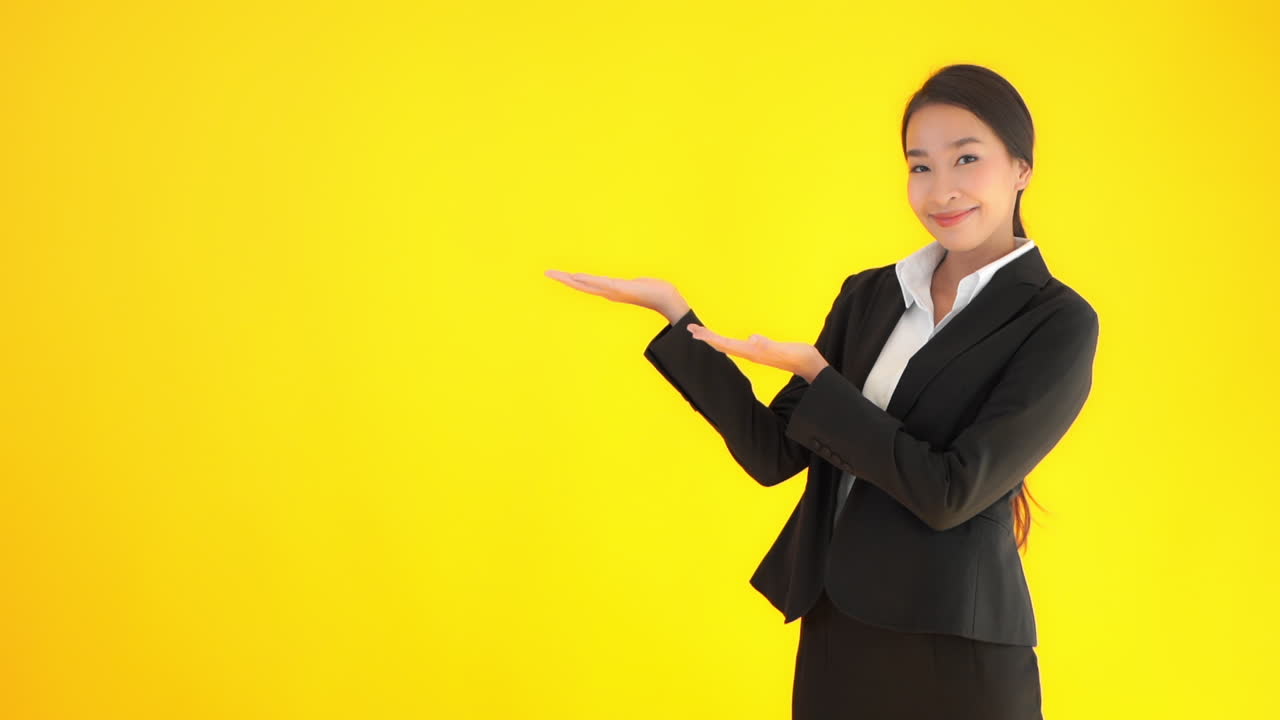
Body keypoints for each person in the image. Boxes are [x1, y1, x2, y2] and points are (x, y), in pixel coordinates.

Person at [545, 64, 1098, 720]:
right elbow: (774, 455)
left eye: (966, 159)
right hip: (837, 626)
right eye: (920, 167)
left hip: (956, 651)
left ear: (1021, 169)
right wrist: (677, 319)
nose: (941, 190)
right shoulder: (870, 297)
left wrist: (820, 379)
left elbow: (949, 492)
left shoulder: (1056, 321)